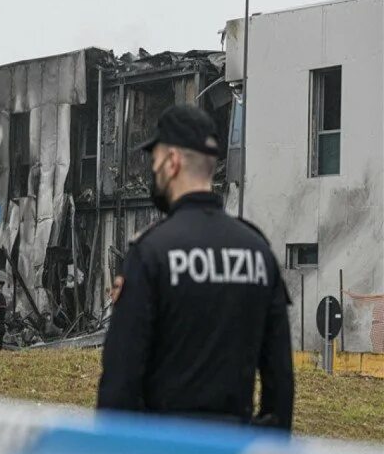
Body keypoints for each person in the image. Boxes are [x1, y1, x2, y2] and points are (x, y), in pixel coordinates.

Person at [97, 104, 294, 428]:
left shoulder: (152, 252)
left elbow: (120, 379)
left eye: (155, 162)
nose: (154, 172)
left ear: (173, 162)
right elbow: (280, 381)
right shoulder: (258, 251)